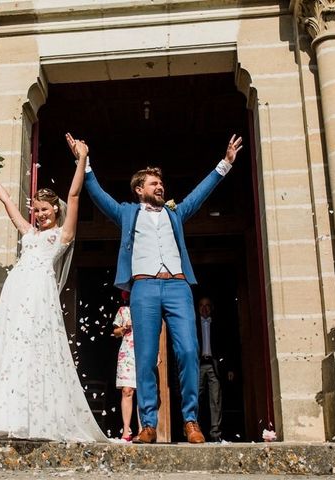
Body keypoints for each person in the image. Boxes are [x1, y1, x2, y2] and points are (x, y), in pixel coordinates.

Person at [77, 132, 243, 444]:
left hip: (178, 287)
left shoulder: (175, 212)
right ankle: (149, 424)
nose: (160, 187)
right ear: (139, 189)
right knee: (145, 357)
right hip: (144, 289)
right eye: (153, 183)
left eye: (160, 183)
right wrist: (83, 161)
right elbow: (97, 194)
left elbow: (200, 194)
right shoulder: (127, 212)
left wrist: (226, 163)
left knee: (189, 351)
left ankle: (191, 421)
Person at [0, 135, 106, 442]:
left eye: (46, 209)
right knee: (15, 351)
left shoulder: (62, 235)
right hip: (16, 294)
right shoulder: (29, 232)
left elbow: (73, 196)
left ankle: (40, 420)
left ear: (54, 211)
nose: (41, 214)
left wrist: (81, 158)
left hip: (39, 295)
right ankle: (9, 418)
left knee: (37, 351)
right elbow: (6, 201)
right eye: (38, 209)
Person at [196, 296, 234, 442]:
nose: (204, 309)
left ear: (211, 308)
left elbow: (227, 345)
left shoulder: (220, 325)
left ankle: (215, 433)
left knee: (215, 399)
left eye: (207, 306)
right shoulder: (193, 325)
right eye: (201, 305)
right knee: (196, 398)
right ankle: (194, 430)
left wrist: (229, 367)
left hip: (214, 365)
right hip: (198, 364)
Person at [112, 291, 138, 441]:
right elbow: (115, 332)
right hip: (127, 351)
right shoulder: (123, 310)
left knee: (143, 391)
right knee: (127, 390)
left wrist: (158, 352)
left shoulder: (146, 308)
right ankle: (126, 430)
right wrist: (123, 328)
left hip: (143, 350)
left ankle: (143, 429)